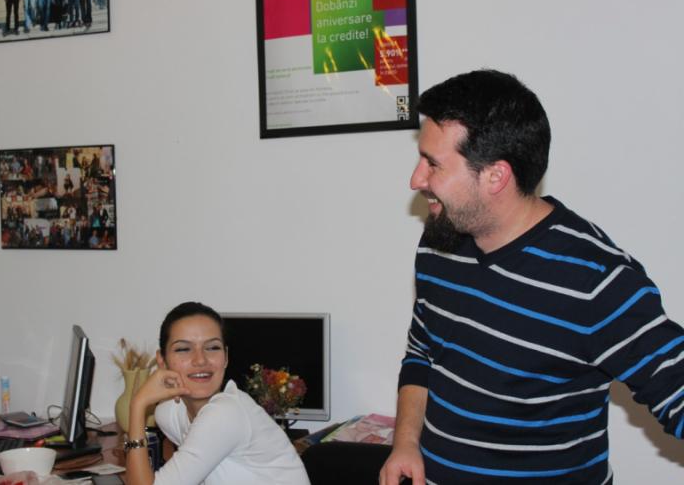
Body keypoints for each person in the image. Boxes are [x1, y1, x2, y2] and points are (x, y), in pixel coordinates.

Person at [379, 69, 684, 485]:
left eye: (433, 164)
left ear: (496, 176)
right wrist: (406, 443)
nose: (416, 179)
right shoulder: (441, 242)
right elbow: (422, 352)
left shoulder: (594, 280)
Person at [125, 302, 310, 485]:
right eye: (183, 349)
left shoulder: (226, 413)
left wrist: (138, 405)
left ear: (226, 357)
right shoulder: (169, 413)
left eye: (212, 347)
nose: (200, 360)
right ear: (162, 360)